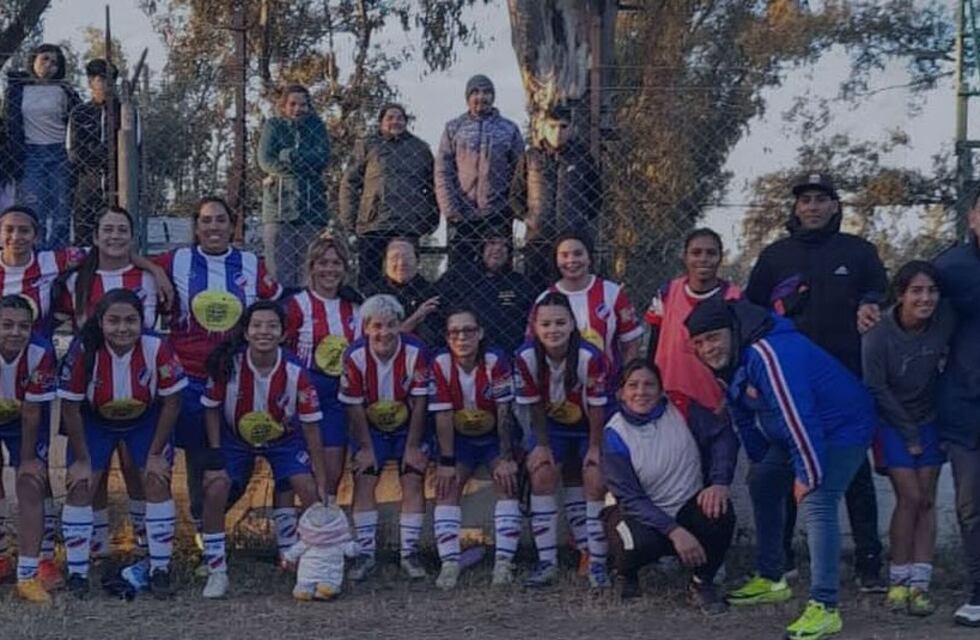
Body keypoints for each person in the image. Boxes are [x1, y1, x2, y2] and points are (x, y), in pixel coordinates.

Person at [686, 297, 876, 640]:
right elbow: (743, 414)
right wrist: (761, 461)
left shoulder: (768, 351)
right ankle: (773, 578)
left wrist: (806, 473)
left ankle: (825, 607)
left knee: (818, 499)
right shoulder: (733, 358)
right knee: (763, 481)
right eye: (698, 343)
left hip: (841, 427)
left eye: (713, 337)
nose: (707, 348)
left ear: (732, 330)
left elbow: (796, 413)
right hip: (805, 430)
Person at [744, 172, 886, 590]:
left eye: (821, 200)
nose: (812, 207)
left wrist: (870, 303)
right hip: (790, 388)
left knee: (854, 473)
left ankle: (868, 563)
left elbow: (880, 292)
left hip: (845, 383)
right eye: (805, 200)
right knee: (791, 467)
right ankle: (783, 563)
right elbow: (753, 312)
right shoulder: (775, 257)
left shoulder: (858, 252)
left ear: (835, 206)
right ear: (795, 207)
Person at [152, 196, 282, 549]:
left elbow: (275, 306)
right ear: (196, 227)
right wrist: (156, 271)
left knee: (243, 452)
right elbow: (132, 262)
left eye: (220, 220)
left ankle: (209, 517)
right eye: (206, 221)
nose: (213, 227)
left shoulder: (250, 264)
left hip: (237, 376)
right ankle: (201, 528)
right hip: (189, 376)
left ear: (232, 225)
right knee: (200, 453)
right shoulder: (177, 259)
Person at [58, 289, 186, 598]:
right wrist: (83, 460)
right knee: (81, 484)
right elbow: (71, 407)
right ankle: (77, 573)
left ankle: (159, 568)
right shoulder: (83, 350)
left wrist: (156, 453)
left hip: (144, 420)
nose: (122, 328)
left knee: (156, 479)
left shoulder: (157, 348)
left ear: (143, 322)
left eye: (131, 320)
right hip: (94, 421)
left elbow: (172, 402)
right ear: (100, 322)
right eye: (113, 320)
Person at [199, 301, 328, 599]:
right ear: (245, 332)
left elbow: (310, 426)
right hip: (235, 439)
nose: (264, 331)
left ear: (283, 334)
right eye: (257, 325)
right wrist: (216, 454)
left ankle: (309, 563)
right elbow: (210, 410)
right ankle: (216, 569)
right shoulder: (228, 364)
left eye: (272, 326)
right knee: (216, 486)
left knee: (308, 489)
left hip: (284, 440)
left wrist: (321, 478)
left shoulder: (296, 371)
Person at [55, 206, 161, 564]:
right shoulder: (75, 280)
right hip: (89, 386)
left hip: (136, 383)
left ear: (132, 238)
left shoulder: (145, 278)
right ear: (96, 236)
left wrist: (151, 266)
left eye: (122, 230)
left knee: (135, 466)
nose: (114, 236)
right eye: (107, 230)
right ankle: (96, 547)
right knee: (93, 472)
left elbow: (144, 331)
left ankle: (146, 542)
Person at [602, 360, 736, 614]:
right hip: (640, 512)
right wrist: (674, 531)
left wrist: (719, 482)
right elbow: (630, 497)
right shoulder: (614, 434)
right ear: (621, 393)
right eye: (633, 385)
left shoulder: (682, 408)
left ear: (662, 389)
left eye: (649, 384)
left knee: (719, 509)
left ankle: (701, 582)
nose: (641, 392)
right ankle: (625, 573)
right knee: (634, 543)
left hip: (687, 504)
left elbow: (722, 436)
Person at [861, 261, 955, 618]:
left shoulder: (945, 320)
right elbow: (875, 387)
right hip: (891, 422)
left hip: (931, 418)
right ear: (900, 295)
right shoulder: (878, 333)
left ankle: (920, 585)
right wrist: (909, 432)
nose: (925, 298)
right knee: (910, 497)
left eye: (931, 290)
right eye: (916, 291)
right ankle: (897, 579)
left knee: (927, 500)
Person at [513, 291, 611, 588]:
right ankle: (547, 562)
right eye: (546, 324)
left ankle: (597, 561)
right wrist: (541, 444)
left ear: (572, 325)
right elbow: (534, 406)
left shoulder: (589, 357)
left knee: (594, 476)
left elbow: (597, 407)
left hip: (589, 426)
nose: (553, 330)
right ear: (535, 327)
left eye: (560, 322)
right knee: (542, 472)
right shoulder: (525, 356)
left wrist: (594, 448)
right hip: (553, 426)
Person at [339, 294, 431, 582]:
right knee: (365, 475)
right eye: (377, 326)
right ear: (366, 328)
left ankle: (409, 554)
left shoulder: (416, 351)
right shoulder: (353, 355)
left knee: (413, 474)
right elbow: (353, 405)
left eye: (391, 325)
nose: (384, 333)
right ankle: (366, 554)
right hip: (371, 427)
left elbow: (420, 403)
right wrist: (366, 448)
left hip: (408, 426)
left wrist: (413, 446)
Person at [430, 305, 520, 589]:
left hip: (494, 436)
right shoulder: (440, 363)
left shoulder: (496, 360)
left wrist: (506, 457)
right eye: (454, 332)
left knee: (507, 480)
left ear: (480, 333)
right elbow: (443, 415)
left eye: (468, 330)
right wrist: (445, 462)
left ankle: (504, 562)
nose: (461, 337)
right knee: (447, 485)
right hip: (460, 440)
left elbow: (505, 411)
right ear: (446, 337)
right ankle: (449, 564)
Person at [284, 234, 361, 501]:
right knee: (292, 472)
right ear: (312, 267)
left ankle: (324, 533)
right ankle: (289, 538)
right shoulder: (296, 304)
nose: (330, 269)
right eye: (323, 262)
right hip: (301, 396)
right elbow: (281, 352)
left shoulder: (354, 306)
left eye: (337, 262)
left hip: (336, 400)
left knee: (331, 472)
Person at [933, 192, 980, 627]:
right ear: (972, 215)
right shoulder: (951, 269)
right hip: (966, 410)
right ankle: (978, 593)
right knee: (971, 504)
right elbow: (914, 320)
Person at [339, 102, 438, 290]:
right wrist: (349, 219)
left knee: (405, 278)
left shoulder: (420, 149)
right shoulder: (367, 146)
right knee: (370, 281)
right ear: (381, 121)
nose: (395, 122)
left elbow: (433, 186)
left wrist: (430, 218)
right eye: (390, 118)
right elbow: (349, 182)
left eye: (400, 118)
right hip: (373, 224)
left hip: (407, 224)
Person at [0, 296, 58, 602]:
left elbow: (33, 412)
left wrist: (26, 461)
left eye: (23, 326)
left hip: (24, 419)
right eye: (7, 325)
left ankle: (27, 575)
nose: (15, 333)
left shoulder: (41, 351)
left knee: (30, 483)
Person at [646, 228, 741, 412]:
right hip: (668, 399)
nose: (703, 259)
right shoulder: (667, 292)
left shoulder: (734, 298)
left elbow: (739, 356)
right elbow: (653, 344)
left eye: (711, 253)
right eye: (696, 253)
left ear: (720, 257)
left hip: (714, 405)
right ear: (685, 257)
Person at [435, 74, 524, 267]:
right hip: (462, 214)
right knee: (461, 271)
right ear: (467, 97)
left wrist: (512, 207)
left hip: (498, 213)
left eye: (486, 92)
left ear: (493, 97)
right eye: (475, 92)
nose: (481, 97)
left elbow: (520, 173)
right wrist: (450, 210)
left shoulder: (509, 129)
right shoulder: (453, 128)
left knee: (498, 269)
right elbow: (443, 171)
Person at [511, 106, 601, 290]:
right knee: (535, 292)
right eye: (552, 127)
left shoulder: (583, 158)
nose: (557, 132)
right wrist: (531, 219)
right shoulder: (530, 158)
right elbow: (515, 195)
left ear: (572, 128)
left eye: (563, 127)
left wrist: (579, 219)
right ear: (543, 127)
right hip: (538, 241)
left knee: (575, 291)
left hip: (573, 240)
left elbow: (596, 196)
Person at [3, 44, 80, 249]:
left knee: (61, 210)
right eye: (44, 59)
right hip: (30, 153)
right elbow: (10, 122)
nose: (49, 65)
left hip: (59, 153)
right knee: (34, 208)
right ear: (34, 60)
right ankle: (36, 254)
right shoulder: (18, 90)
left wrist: (73, 150)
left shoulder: (64, 90)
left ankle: (58, 255)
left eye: (55, 62)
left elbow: (77, 120)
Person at [532, 230, 642, 369]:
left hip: (607, 385)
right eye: (564, 255)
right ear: (556, 260)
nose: (571, 260)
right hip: (561, 386)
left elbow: (631, 343)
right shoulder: (545, 299)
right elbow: (534, 346)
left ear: (589, 257)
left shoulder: (612, 293)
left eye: (578, 254)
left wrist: (625, 380)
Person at [257, 84, 330, 288]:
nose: (298, 109)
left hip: (311, 208)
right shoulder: (273, 126)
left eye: (303, 104)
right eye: (293, 104)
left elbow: (322, 158)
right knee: (278, 270)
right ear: (284, 106)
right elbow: (265, 161)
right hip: (278, 207)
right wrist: (306, 166)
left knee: (309, 270)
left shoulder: (317, 126)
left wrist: (289, 155)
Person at [67, 59, 139, 246]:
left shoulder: (126, 111)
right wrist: (97, 156)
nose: (106, 85)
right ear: (91, 82)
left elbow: (132, 146)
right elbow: (74, 149)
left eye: (110, 80)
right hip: (88, 178)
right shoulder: (80, 112)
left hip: (118, 178)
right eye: (100, 79)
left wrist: (113, 157)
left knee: (115, 224)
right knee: (84, 225)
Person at [440, 231, 536, 354]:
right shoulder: (459, 276)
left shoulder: (520, 283)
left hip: (508, 353)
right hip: (463, 351)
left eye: (504, 245)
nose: (498, 248)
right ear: (482, 247)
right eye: (492, 243)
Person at [366, 237, 442, 348]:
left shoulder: (430, 293)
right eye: (394, 258)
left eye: (407, 258)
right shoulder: (373, 294)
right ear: (385, 262)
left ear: (417, 261)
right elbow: (383, 339)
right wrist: (416, 317)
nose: (401, 263)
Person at [279, 502, 358, 601]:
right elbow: (350, 551)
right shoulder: (339, 543)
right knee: (329, 581)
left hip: (307, 572)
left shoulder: (305, 543)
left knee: (305, 581)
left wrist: (287, 558)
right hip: (330, 572)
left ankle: (305, 589)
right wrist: (357, 547)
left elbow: (294, 551)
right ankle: (324, 589)